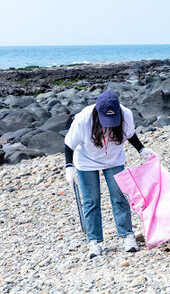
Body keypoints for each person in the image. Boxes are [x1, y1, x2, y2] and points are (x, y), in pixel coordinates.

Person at [64, 90, 156, 258]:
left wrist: (142, 149)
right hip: (87, 161)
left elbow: (130, 134)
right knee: (91, 201)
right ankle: (94, 242)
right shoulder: (83, 120)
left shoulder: (126, 114)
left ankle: (127, 235)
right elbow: (69, 144)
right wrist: (69, 166)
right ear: (97, 113)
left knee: (119, 196)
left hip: (114, 159)